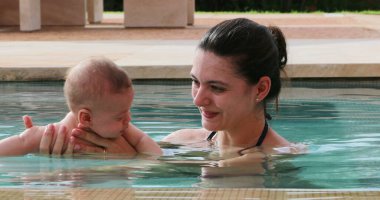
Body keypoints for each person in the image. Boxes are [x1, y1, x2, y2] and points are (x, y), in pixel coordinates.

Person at [36, 18, 298, 158]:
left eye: (216, 88)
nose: (198, 99)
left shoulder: (277, 159)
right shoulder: (180, 140)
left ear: (261, 89)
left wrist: (126, 162)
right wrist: (66, 142)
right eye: (195, 82)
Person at [0, 57, 162, 156]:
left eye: (127, 111)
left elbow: (146, 143)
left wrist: (142, 160)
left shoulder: (122, 128)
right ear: (86, 118)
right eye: (120, 116)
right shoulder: (54, 134)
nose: (128, 119)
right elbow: (20, 143)